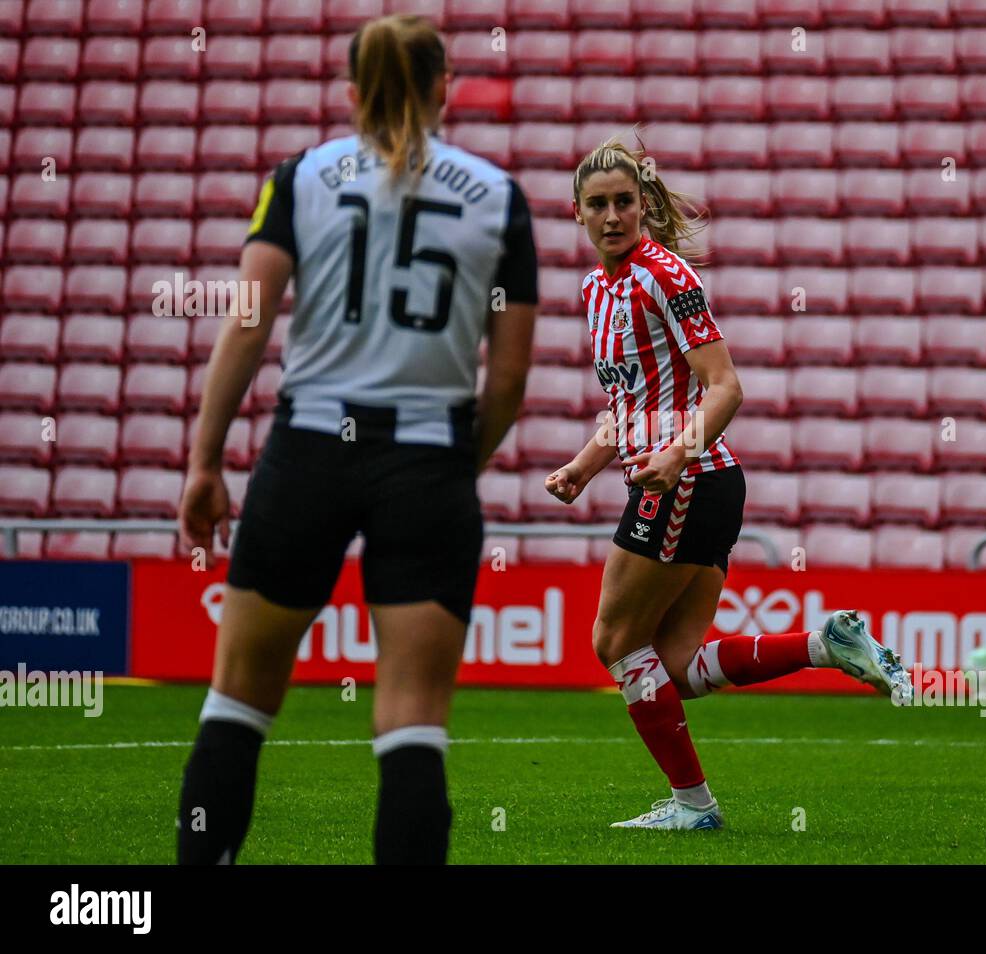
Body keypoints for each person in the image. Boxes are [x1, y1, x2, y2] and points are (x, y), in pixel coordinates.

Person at [175, 15, 537, 864]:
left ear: (353, 93)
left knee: (237, 702)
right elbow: (511, 379)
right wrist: (455, 466)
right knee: (413, 721)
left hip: (307, 449)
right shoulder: (498, 196)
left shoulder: (299, 179)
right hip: (428, 458)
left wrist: (203, 460)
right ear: (446, 86)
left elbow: (247, 324)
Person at [544, 135, 912, 831]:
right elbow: (631, 407)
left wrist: (678, 456)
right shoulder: (598, 289)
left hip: (689, 480)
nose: (613, 215)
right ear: (577, 214)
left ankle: (693, 807)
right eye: (598, 205)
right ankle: (822, 645)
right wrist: (584, 466)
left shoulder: (665, 276)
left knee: (615, 641)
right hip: (688, 483)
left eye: (625, 201)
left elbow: (726, 387)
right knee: (676, 666)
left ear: (645, 205)